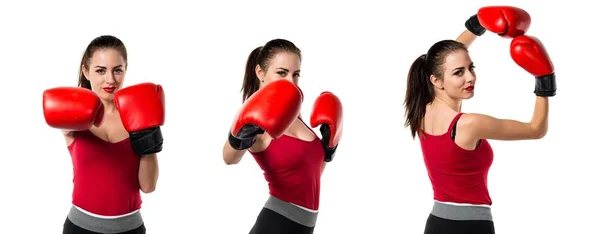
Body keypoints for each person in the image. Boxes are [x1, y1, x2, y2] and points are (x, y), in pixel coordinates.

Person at [403, 6, 556, 234]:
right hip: (472, 227)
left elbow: (445, 59)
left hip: (436, 223)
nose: (470, 77)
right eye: (459, 73)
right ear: (436, 80)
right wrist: (545, 80)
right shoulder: (470, 125)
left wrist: (477, 24)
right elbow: (536, 129)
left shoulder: (422, 110)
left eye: (471, 68)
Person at [42, 35, 165, 234]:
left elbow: (148, 186)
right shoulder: (74, 116)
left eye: (118, 70)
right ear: (86, 71)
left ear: (125, 70)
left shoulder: (138, 115)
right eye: (100, 70)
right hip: (80, 228)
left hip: (130, 228)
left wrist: (149, 139)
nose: (110, 79)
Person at [222, 38, 344, 234]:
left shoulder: (294, 112)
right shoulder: (255, 116)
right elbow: (228, 157)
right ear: (260, 72)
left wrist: (328, 149)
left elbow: (311, 174)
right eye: (281, 73)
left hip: (304, 226)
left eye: (296, 74)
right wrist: (243, 134)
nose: (290, 81)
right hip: (276, 223)